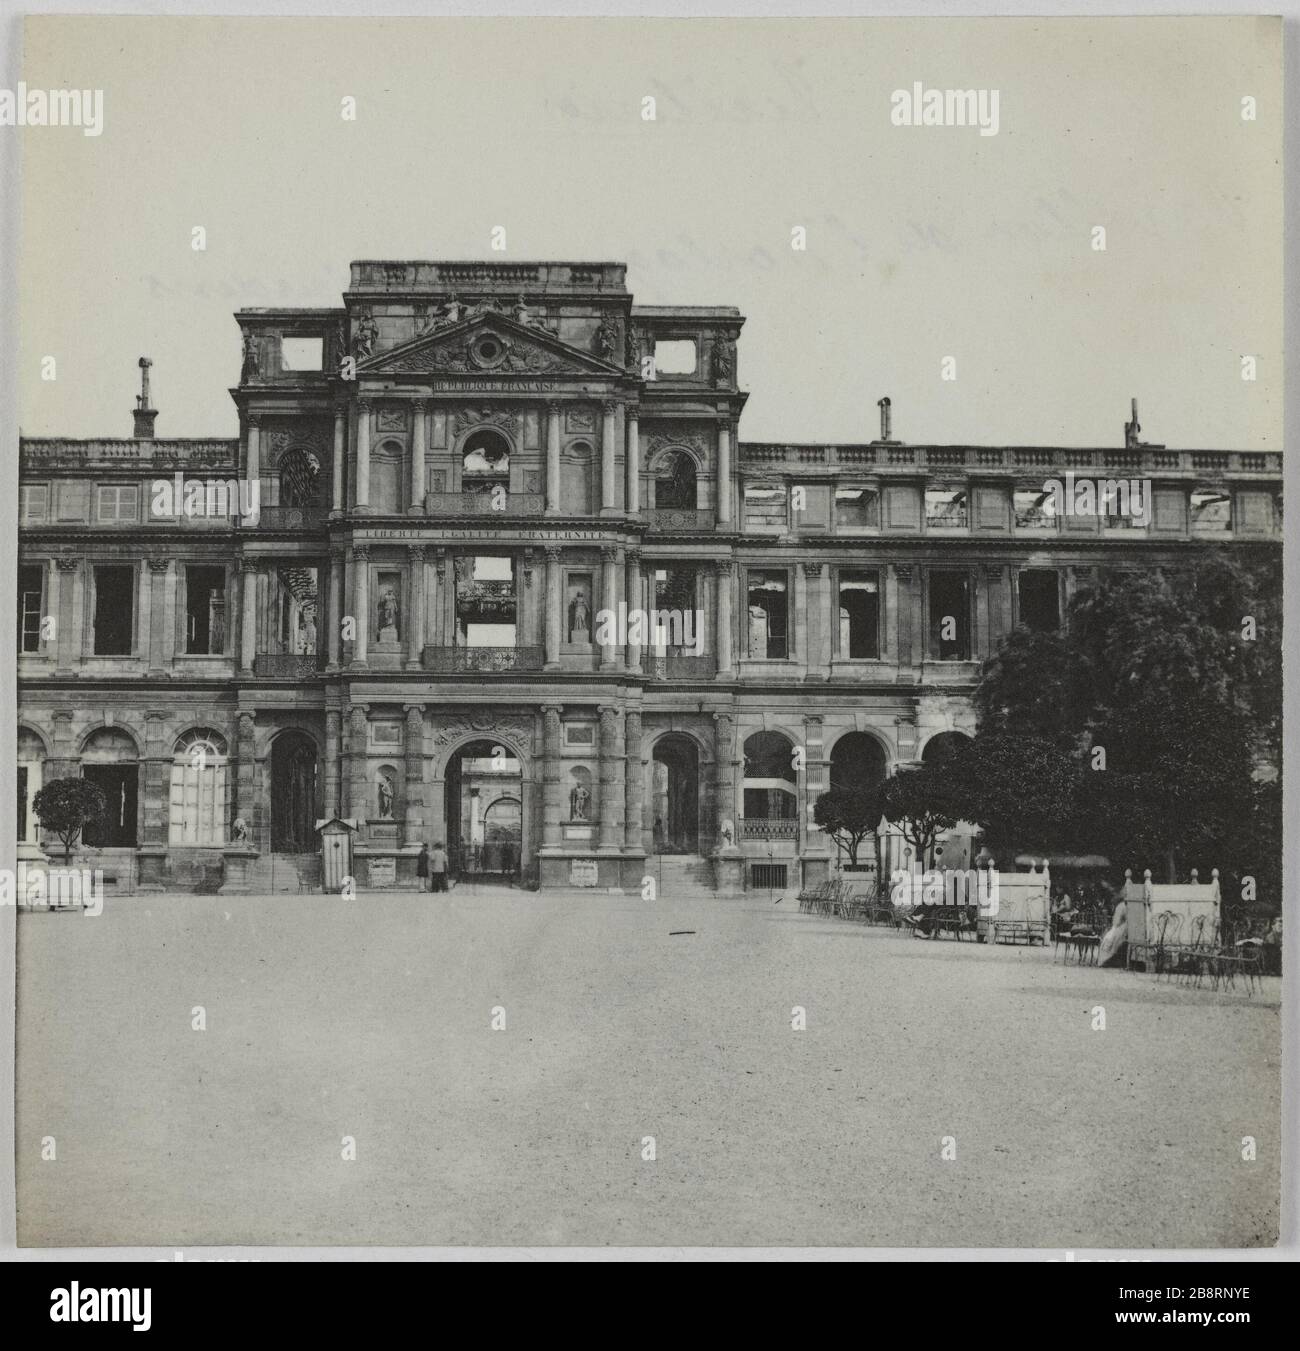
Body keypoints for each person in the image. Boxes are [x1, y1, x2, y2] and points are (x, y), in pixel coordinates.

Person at [1097, 896, 1128, 967]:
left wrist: (1114, 928)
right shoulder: (1126, 906)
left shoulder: (1121, 906)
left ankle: (1106, 961)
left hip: (1123, 927)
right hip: (1129, 926)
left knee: (1110, 937)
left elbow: (1116, 922)